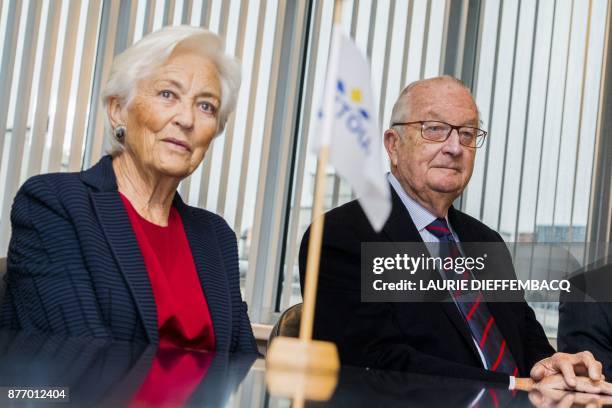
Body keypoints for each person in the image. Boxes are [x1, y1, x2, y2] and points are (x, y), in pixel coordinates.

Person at [299, 76, 605, 390]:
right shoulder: (344, 236)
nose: (455, 147)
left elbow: (526, 341)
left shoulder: (485, 241)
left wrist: (550, 366)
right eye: (434, 129)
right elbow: (377, 362)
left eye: (468, 133)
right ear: (393, 144)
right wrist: (514, 384)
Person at [0, 26, 257, 353]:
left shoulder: (216, 236)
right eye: (168, 94)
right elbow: (81, 355)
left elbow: (241, 364)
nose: (187, 119)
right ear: (117, 109)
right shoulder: (55, 204)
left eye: (206, 106)